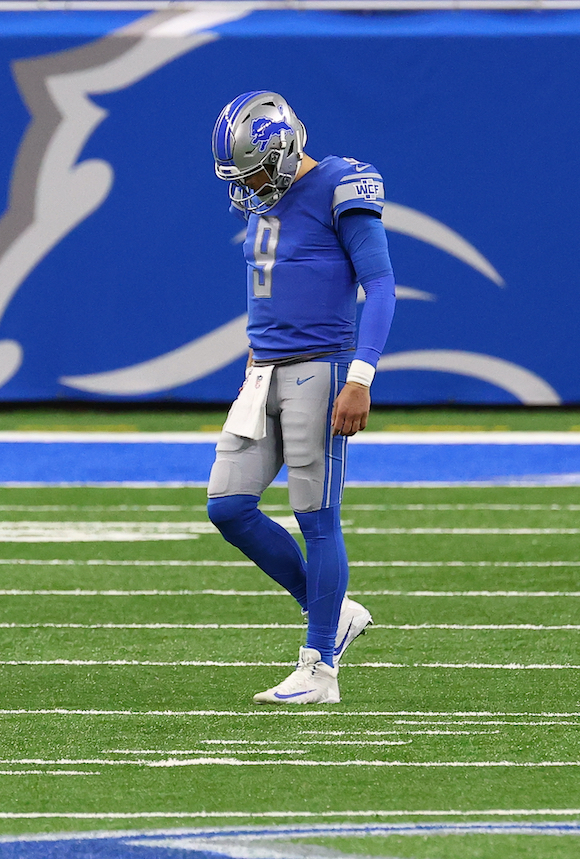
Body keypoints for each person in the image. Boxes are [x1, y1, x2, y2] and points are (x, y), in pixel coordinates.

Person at [204, 91, 396, 705]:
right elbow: (275, 290)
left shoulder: (341, 183)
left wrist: (361, 376)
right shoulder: (266, 200)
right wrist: (252, 359)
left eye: (256, 169)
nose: (251, 185)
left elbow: (382, 285)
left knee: (316, 516)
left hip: (323, 366)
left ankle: (319, 668)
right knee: (228, 505)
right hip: (264, 370)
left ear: (283, 151)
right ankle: (334, 614)